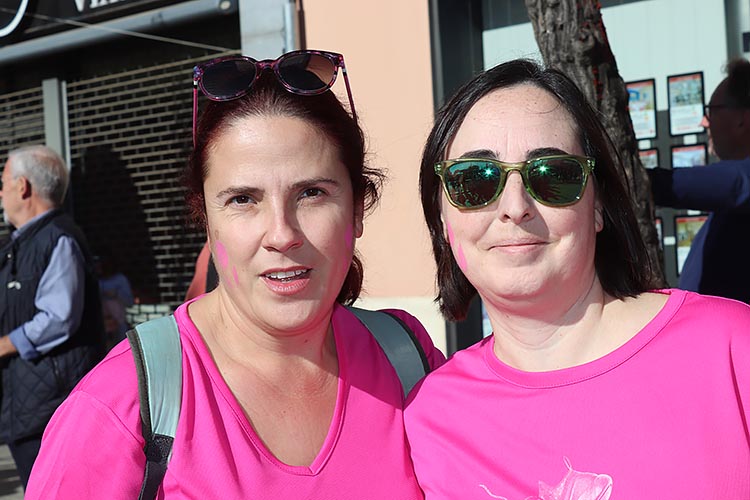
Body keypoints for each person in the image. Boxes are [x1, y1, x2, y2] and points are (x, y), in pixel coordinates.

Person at [26, 50, 445, 498]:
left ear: (357, 209)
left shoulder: (407, 359)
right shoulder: (119, 403)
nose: (282, 235)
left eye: (311, 193)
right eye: (243, 199)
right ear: (206, 220)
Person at [404, 59, 750, 499]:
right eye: (474, 179)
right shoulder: (427, 420)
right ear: (441, 216)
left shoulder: (731, 348)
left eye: (553, 175)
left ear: (598, 204)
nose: (515, 207)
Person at [0, 145, 105, 489]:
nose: (0, 193)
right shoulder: (20, 245)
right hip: (27, 404)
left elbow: (59, 316)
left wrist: (6, 344)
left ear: (23, 187)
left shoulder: (57, 239)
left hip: (50, 407)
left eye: (3, 182)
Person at [649, 58, 750, 303]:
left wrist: (642, 182)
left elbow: (735, 183)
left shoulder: (741, 183)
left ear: (742, 119)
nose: (704, 121)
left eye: (711, 110)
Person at [94, 251, 135, 347]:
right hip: (102, 323)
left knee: (120, 346)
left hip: (119, 322)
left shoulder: (120, 280)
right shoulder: (96, 281)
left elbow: (130, 302)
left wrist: (116, 294)